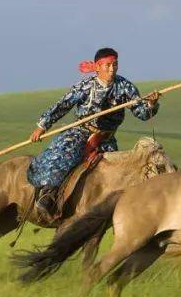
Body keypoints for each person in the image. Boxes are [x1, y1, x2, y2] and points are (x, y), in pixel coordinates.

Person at [27, 47, 160, 216]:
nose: (112, 69)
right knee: (60, 157)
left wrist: (151, 104)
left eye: (115, 65)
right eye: (108, 65)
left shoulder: (126, 87)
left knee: (119, 173)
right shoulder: (85, 86)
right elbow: (62, 106)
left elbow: (142, 114)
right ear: (97, 67)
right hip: (80, 132)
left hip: (106, 138)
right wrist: (42, 126)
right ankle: (48, 195)